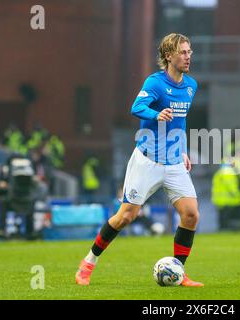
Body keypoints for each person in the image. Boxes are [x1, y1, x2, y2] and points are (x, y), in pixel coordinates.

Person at [75, 33, 203, 287]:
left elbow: (181, 122)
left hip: (175, 161)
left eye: (190, 52)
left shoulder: (191, 85)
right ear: (169, 55)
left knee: (191, 215)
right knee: (125, 216)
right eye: (183, 52)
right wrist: (156, 115)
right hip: (147, 161)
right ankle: (87, 264)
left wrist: (184, 149)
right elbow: (136, 108)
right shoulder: (155, 83)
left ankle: (178, 272)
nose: (188, 56)